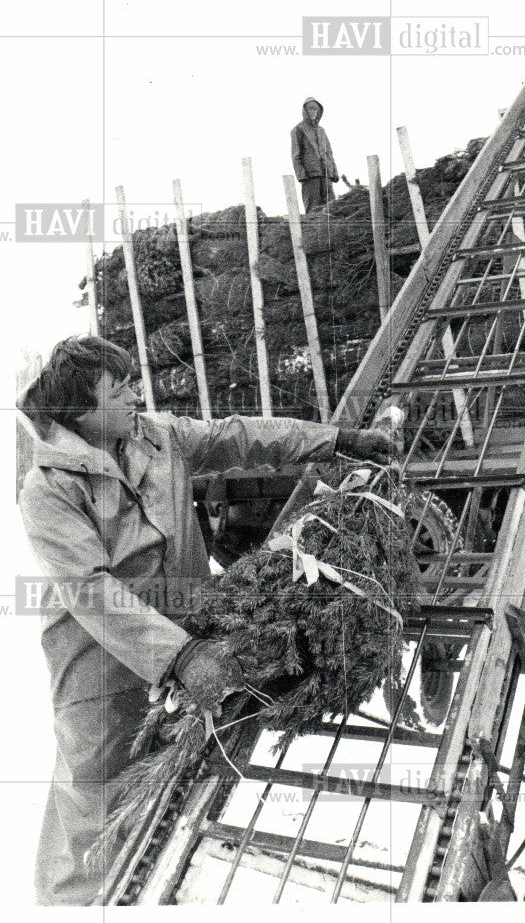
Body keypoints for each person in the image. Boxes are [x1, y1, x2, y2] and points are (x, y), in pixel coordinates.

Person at [17, 334, 395, 905]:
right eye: (117, 391)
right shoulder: (47, 489)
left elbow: (237, 437)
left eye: (130, 385)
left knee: (162, 760)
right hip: (97, 655)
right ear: (80, 409)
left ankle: (146, 883)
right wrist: (180, 655)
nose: (132, 397)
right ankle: (70, 903)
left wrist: (335, 440)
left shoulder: (156, 437)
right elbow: (91, 591)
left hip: (183, 625)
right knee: (92, 785)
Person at [290, 97, 339, 213]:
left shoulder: (321, 130)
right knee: (313, 210)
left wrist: (334, 172)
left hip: (326, 175)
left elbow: (329, 153)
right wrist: (301, 175)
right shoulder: (298, 130)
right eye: (310, 109)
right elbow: (296, 155)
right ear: (305, 111)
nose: (313, 112)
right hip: (310, 177)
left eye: (315, 110)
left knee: (331, 209)